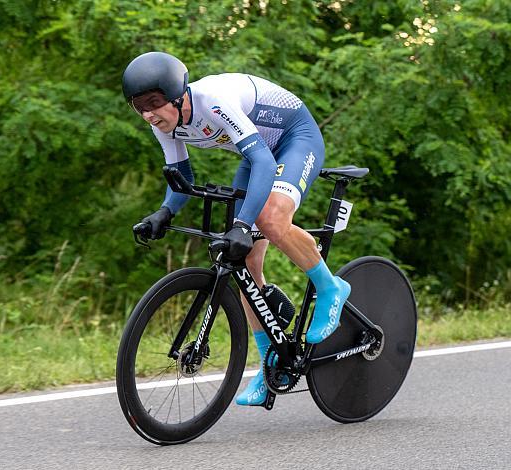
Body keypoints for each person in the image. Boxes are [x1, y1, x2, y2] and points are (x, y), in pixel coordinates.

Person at [123, 51, 350, 406]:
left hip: (294, 138)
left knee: (271, 221)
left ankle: (330, 286)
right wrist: (164, 212)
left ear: (178, 95)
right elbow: (183, 176)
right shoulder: (162, 124)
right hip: (257, 153)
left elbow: (262, 160)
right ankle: (270, 362)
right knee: (244, 262)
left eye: (154, 103)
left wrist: (243, 224)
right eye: (140, 107)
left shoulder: (213, 102)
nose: (149, 114)